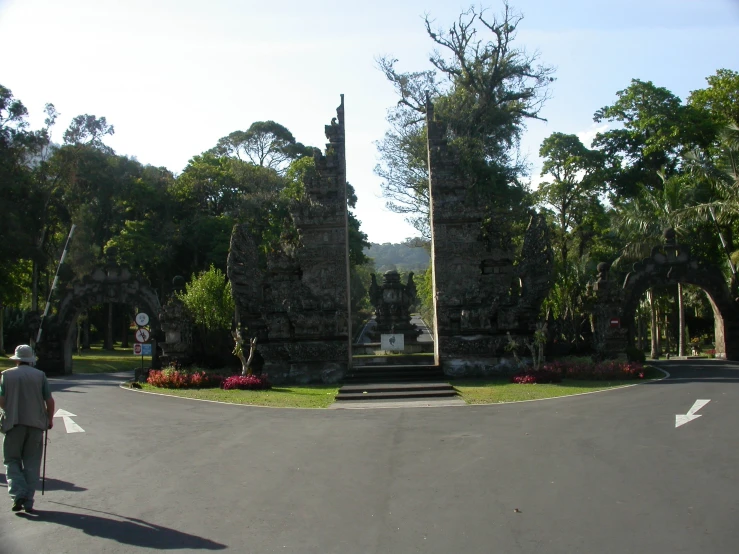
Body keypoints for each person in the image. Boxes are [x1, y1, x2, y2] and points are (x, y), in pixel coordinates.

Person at [0, 344, 55, 513]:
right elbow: (49, 401)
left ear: (17, 359)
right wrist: (49, 419)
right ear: (30, 360)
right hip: (35, 424)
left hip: (13, 424)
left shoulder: (6, 375)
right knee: (32, 463)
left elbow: (1, 400)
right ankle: (29, 500)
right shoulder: (40, 376)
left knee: (11, 460)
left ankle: (18, 493)